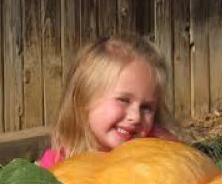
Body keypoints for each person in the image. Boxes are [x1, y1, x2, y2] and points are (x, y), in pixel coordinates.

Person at [37, 35, 177, 168]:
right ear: (84, 98)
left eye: (146, 107)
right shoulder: (58, 164)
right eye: (123, 100)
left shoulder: (160, 153)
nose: (135, 117)